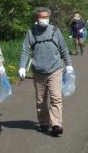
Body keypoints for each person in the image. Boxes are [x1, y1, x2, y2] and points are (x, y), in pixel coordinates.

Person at [18, 7, 73, 137]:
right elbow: (25, 50)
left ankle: (56, 125)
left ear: (49, 18)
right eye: (41, 17)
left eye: (46, 17)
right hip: (38, 71)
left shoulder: (55, 31)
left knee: (56, 98)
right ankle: (44, 122)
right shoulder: (31, 32)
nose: (44, 19)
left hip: (55, 69)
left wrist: (69, 64)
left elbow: (63, 49)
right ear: (37, 18)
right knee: (41, 100)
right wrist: (22, 66)